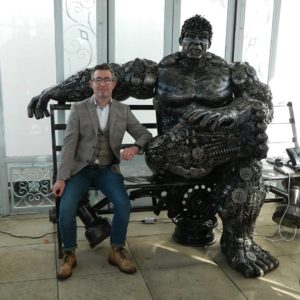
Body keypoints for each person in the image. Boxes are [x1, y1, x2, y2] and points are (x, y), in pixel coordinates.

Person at [28, 15, 279, 278]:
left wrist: (231, 113)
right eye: (191, 40)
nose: (196, 46)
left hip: (220, 157)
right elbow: (109, 76)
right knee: (167, 148)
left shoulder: (232, 72)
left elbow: (262, 103)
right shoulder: (160, 71)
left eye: (202, 41)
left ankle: (238, 242)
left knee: (249, 171)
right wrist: (54, 90)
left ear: (210, 42)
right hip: (172, 154)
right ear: (181, 40)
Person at [52, 63, 152, 280]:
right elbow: (69, 145)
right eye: (98, 79)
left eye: (107, 79)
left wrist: (135, 147)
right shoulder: (78, 109)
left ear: (113, 84)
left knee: (123, 205)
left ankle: (116, 250)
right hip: (80, 170)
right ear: (91, 84)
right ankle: (69, 254)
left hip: (107, 169)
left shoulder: (123, 110)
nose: (103, 83)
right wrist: (61, 178)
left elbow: (144, 134)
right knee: (66, 209)